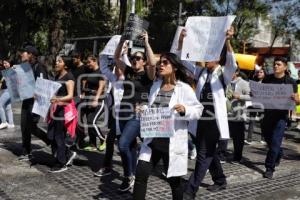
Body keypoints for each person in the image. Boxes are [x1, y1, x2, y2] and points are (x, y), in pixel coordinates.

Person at [132, 52, 203, 200]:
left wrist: (185, 110)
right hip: (152, 140)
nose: (161, 65)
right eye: (160, 63)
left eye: (165, 63)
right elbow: (153, 109)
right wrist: (143, 109)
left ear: (175, 67)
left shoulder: (184, 88)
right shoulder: (156, 86)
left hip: (171, 142)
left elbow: (198, 110)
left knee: (174, 182)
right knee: (141, 174)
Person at [177, 27, 237, 199]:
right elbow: (183, 62)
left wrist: (227, 40)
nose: (206, 59)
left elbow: (232, 63)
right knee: (209, 153)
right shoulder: (201, 72)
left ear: (218, 58)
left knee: (203, 154)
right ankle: (220, 179)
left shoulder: (224, 74)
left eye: (210, 55)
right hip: (199, 119)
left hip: (214, 122)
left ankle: (190, 190)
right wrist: (182, 41)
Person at [114, 31, 156, 192]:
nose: (134, 60)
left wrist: (146, 43)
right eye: (132, 58)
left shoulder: (148, 75)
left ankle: (134, 173)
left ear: (143, 61)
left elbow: (153, 64)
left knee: (123, 145)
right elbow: (116, 58)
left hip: (137, 115)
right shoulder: (129, 71)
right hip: (123, 113)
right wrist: (122, 41)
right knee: (129, 146)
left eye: (138, 58)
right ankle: (128, 176)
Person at [261, 57, 299, 179]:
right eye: (274, 64)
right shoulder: (267, 79)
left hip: (281, 117)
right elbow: (261, 93)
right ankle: (279, 153)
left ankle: (269, 168)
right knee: (269, 141)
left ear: (285, 67)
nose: (275, 66)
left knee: (275, 143)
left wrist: (294, 98)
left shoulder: (290, 81)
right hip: (267, 115)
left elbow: (298, 101)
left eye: (278, 64)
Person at [19, 45, 50, 161]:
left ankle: (48, 139)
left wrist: (36, 93)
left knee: (31, 126)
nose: (22, 54)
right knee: (24, 126)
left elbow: (44, 84)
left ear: (31, 54)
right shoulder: (26, 67)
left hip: (35, 103)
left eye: (25, 52)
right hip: (26, 101)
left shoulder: (39, 67)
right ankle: (26, 151)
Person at [48, 56, 77, 173]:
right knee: (51, 135)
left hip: (63, 110)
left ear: (65, 65)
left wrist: (57, 99)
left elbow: (70, 96)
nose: (56, 63)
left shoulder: (69, 77)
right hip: (55, 109)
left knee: (59, 136)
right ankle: (67, 153)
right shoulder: (57, 76)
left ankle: (61, 163)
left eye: (60, 61)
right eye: (56, 61)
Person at [79, 55, 106, 151]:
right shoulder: (91, 72)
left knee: (92, 121)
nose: (87, 64)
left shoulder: (101, 72)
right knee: (89, 122)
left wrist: (96, 99)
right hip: (88, 100)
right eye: (86, 62)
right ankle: (93, 144)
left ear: (95, 61)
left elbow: (101, 87)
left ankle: (103, 139)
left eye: (89, 62)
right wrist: (83, 93)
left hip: (99, 101)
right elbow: (86, 83)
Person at [227, 68, 251, 164]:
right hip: (225, 114)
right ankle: (221, 154)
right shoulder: (225, 81)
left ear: (236, 72)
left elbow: (252, 96)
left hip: (238, 115)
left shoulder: (244, 83)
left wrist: (239, 96)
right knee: (223, 137)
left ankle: (237, 157)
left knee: (238, 138)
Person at [245, 68, 266, 144]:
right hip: (253, 103)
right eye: (258, 72)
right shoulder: (254, 81)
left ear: (265, 74)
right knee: (251, 121)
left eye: (261, 72)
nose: (259, 73)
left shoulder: (266, 83)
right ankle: (249, 139)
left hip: (262, 104)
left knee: (263, 122)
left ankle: (263, 138)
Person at [0, 59, 14, 129]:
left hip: (9, 90)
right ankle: (11, 123)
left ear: (10, 63)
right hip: (7, 90)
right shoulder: (7, 71)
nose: (4, 65)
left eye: (6, 63)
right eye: (4, 63)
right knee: (8, 107)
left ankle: (4, 122)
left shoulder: (12, 69)